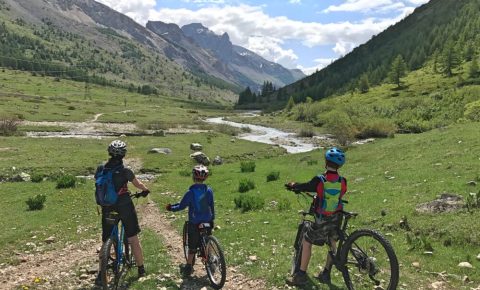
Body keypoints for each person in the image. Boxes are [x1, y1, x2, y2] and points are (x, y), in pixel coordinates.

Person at [285, 147, 347, 286]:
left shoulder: (320, 179)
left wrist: (294, 185)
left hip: (323, 218)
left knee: (307, 242)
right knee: (332, 242)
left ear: (326, 162)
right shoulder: (343, 181)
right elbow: (338, 196)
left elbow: (306, 186)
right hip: (337, 217)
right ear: (340, 165)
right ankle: (326, 273)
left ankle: (300, 275)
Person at [95, 140, 150, 285]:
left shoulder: (101, 169)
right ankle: (141, 269)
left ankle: (101, 273)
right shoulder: (125, 170)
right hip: (124, 205)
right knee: (133, 238)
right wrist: (145, 190)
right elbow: (137, 184)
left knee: (106, 240)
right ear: (123, 154)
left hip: (107, 207)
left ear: (109, 152)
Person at [165, 164, 215, 277]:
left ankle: (188, 266)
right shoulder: (209, 191)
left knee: (192, 247)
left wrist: (171, 208)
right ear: (205, 178)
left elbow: (181, 206)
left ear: (193, 177)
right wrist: (212, 219)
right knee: (207, 240)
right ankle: (210, 259)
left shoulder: (190, 193)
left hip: (194, 223)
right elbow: (211, 206)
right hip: (207, 221)